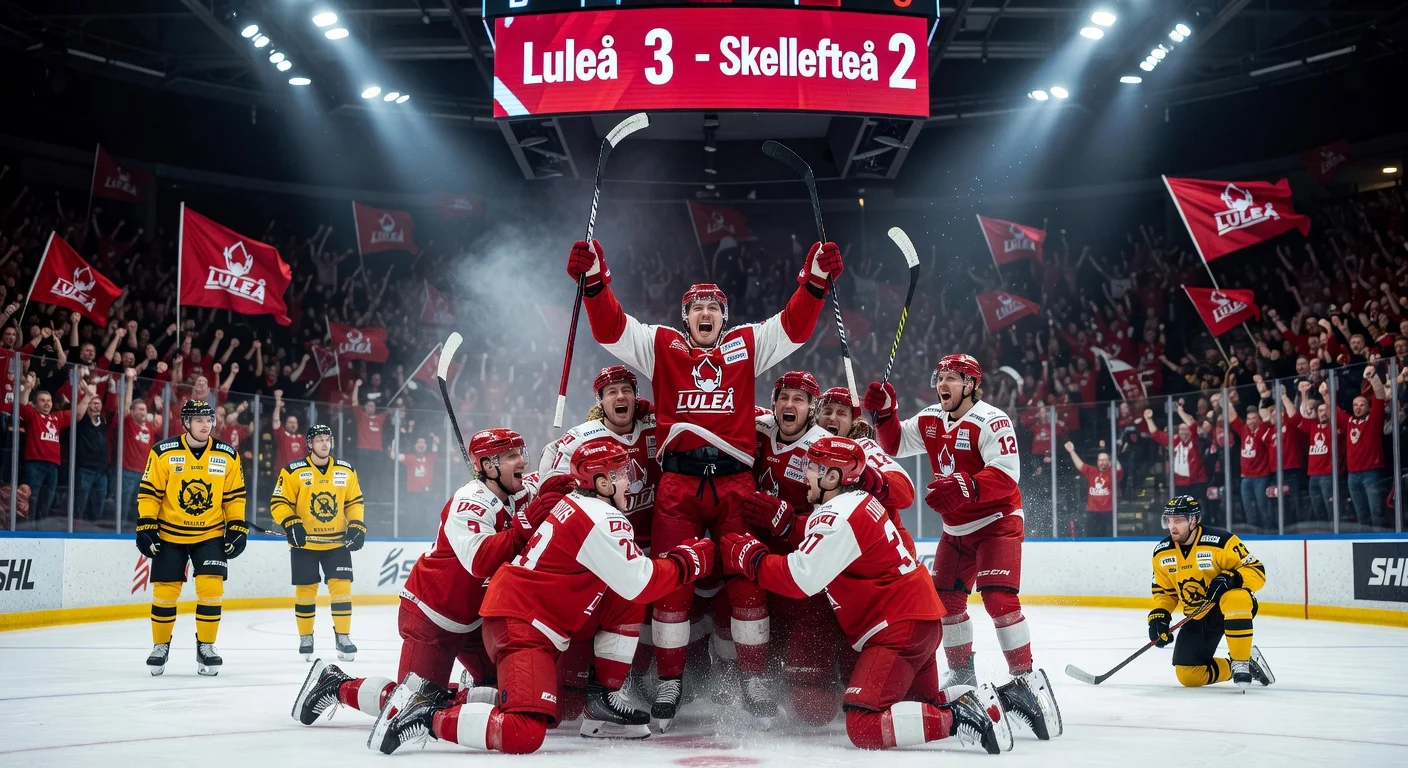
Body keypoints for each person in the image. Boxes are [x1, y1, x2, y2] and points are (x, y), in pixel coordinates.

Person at [567, 235, 840, 723]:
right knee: (674, 585)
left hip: (736, 483)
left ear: (725, 316)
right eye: (697, 307)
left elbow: (794, 327)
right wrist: (594, 281)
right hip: (679, 487)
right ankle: (670, 684)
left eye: (714, 306)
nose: (705, 312)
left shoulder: (746, 345)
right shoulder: (661, 345)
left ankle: (754, 679)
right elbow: (611, 329)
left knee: (746, 580)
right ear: (685, 315)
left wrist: (814, 277)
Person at [368, 439, 717, 755]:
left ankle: (602, 699)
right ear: (602, 483)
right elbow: (641, 582)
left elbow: (543, 478)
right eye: (622, 474)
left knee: (562, 706)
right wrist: (690, 560)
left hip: (531, 618)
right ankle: (428, 712)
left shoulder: (577, 502)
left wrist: (549, 482)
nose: (632, 481)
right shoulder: (600, 517)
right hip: (513, 624)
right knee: (524, 731)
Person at [719, 436, 1012, 754]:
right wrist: (789, 524)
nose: (804, 475)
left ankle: (960, 716)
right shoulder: (860, 501)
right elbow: (836, 539)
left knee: (863, 724)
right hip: (920, 622)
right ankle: (1006, 698)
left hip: (897, 630)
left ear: (832, 477)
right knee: (917, 707)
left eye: (812, 467)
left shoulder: (836, 515)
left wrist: (752, 560)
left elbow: (802, 578)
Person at [864, 354, 1062, 740]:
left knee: (999, 600)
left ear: (972, 384)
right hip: (956, 530)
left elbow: (1007, 474)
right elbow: (893, 444)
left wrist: (967, 485)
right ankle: (963, 673)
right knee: (947, 604)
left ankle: (1026, 679)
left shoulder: (992, 419)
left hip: (997, 523)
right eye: (940, 377)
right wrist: (886, 413)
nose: (943, 384)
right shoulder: (931, 418)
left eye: (952, 378)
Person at [291, 428, 546, 727]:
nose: (523, 462)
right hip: (433, 617)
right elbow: (481, 562)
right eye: (512, 456)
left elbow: (551, 473)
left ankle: (459, 691)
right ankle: (334, 684)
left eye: (521, 453)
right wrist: (525, 526)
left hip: (476, 620)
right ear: (488, 465)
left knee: (502, 693)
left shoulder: (520, 491)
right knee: (411, 703)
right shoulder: (468, 502)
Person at [136, 399, 247, 676]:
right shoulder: (163, 452)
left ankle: (206, 646)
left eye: (208, 419)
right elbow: (150, 493)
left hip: (210, 534)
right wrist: (146, 524)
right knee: (164, 592)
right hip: (170, 533)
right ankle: (160, 645)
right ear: (185, 423)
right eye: (198, 419)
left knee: (211, 591)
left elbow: (234, 497)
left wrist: (237, 527)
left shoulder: (227, 455)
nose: (205, 424)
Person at [1148, 495, 1275, 691]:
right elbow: (1165, 592)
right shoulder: (1162, 553)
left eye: (1179, 520)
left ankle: (1240, 660)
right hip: (1197, 615)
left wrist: (1233, 578)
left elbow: (1257, 571)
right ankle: (1242, 665)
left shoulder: (1221, 541)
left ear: (1194, 521)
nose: (1172, 526)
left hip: (1231, 607)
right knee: (1188, 675)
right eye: (1169, 520)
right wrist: (1160, 615)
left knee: (1235, 596)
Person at [270, 424, 366, 661]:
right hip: (305, 545)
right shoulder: (293, 471)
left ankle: (343, 636)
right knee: (305, 593)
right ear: (310, 444)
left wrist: (356, 525)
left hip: (337, 543)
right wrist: (291, 522)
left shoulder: (346, 470)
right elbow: (279, 503)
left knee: (342, 590)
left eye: (327, 439)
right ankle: (306, 636)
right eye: (319, 439)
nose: (325, 443)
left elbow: (355, 503)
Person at [19, 371, 95, 520]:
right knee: (31, 503)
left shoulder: (56, 417)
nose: (47, 403)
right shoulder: (32, 415)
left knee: (45, 505)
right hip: (34, 465)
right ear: (35, 403)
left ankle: (41, 535)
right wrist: (28, 388)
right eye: (42, 400)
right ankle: (28, 534)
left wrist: (88, 396)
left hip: (53, 467)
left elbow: (78, 415)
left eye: (49, 400)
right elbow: (22, 404)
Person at [1221, 393, 1275, 532]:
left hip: (1261, 476)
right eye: (1249, 418)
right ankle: (1253, 531)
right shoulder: (1244, 429)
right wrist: (1227, 401)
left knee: (1262, 505)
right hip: (1245, 477)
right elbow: (1233, 416)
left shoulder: (1263, 429)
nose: (1250, 421)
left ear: (1259, 420)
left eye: (1254, 418)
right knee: (1247, 506)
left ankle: (1268, 531)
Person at [1346, 365, 1387, 528]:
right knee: (1361, 517)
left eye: (1362, 404)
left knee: (1376, 515)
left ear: (1368, 407)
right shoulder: (1348, 422)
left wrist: (1373, 377)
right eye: (1355, 405)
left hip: (1371, 473)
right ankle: (1364, 551)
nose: (1358, 407)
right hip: (1352, 476)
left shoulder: (1374, 419)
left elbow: (1380, 396)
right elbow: (1331, 410)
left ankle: (1380, 548)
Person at [119, 369, 158, 525]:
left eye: (145, 409)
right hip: (128, 471)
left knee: (140, 507)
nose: (143, 412)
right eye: (140, 409)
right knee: (124, 505)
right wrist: (129, 381)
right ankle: (119, 528)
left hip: (144, 473)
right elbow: (127, 404)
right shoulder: (129, 422)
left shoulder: (149, 427)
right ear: (133, 411)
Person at [1062, 441, 1122, 538]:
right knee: (1090, 538)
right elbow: (1080, 465)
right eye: (1100, 460)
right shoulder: (1092, 471)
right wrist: (1072, 451)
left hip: (1108, 512)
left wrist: (1111, 454)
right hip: (1092, 511)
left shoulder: (1112, 473)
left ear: (1109, 462)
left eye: (1104, 460)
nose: (1102, 462)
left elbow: (1119, 470)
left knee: (1109, 538)